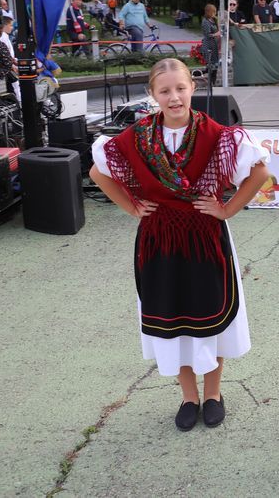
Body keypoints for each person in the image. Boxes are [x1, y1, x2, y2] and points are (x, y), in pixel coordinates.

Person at [89, 58, 269, 431]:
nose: (174, 97)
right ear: (152, 95)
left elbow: (260, 172)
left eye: (180, 88)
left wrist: (227, 209)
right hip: (160, 241)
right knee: (172, 319)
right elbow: (97, 173)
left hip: (206, 238)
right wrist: (132, 207)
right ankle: (188, 396)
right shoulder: (136, 137)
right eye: (165, 91)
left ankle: (213, 394)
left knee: (210, 315)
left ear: (193, 88)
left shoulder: (218, 135)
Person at [201, 4, 221, 85]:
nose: (215, 13)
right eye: (214, 11)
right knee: (211, 66)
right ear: (210, 12)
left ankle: (213, 83)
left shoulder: (213, 20)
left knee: (215, 66)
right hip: (209, 46)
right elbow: (207, 35)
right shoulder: (205, 21)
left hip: (214, 45)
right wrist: (217, 34)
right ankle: (210, 83)